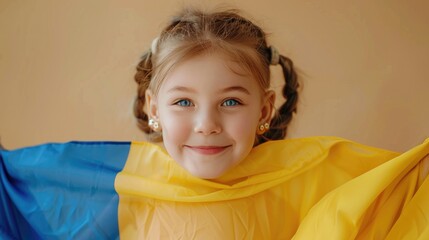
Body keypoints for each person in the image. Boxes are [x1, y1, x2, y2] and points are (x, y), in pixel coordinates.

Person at [1, 8, 429, 240]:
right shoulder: (124, 186)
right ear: (154, 107)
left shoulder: (314, 174)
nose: (206, 124)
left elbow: (408, 193)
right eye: (184, 101)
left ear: (263, 110)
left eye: (230, 101)